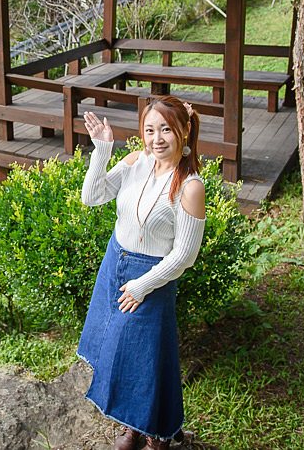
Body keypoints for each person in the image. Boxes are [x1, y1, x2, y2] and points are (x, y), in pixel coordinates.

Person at [77, 96, 206, 450]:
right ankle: (133, 425)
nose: (157, 138)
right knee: (118, 349)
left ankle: (157, 436)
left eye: (166, 129)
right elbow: (92, 197)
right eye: (150, 130)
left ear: (184, 131)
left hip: (151, 278)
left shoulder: (190, 187)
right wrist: (102, 149)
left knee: (147, 357)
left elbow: (184, 256)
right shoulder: (136, 162)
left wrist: (142, 286)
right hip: (115, 262)